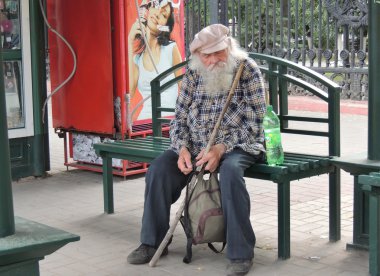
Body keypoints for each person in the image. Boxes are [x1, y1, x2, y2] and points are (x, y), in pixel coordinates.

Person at [127, 24, 266, 276]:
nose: (212, 60)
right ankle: (152, 241)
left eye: (217, 52)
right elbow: (179, 118)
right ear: (198, 56)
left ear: (229, 47)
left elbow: (256, 124)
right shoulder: (193, 72)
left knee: (232, 173)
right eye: (206, 55)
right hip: (195, 145)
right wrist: (181, 148)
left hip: (237, 144)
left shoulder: (247, 70)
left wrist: (221, 148)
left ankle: (241, 252)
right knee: (158, 170)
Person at [128, 0, 182, 121]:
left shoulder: (171, 49)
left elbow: (183, 88)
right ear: (148, 11)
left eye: (164, 15)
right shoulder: (137, 59)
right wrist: (129, 42)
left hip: (169, 121)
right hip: (145, 122)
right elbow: (130, 93)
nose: (158, 14)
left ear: (165, 26)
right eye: (155, 8)